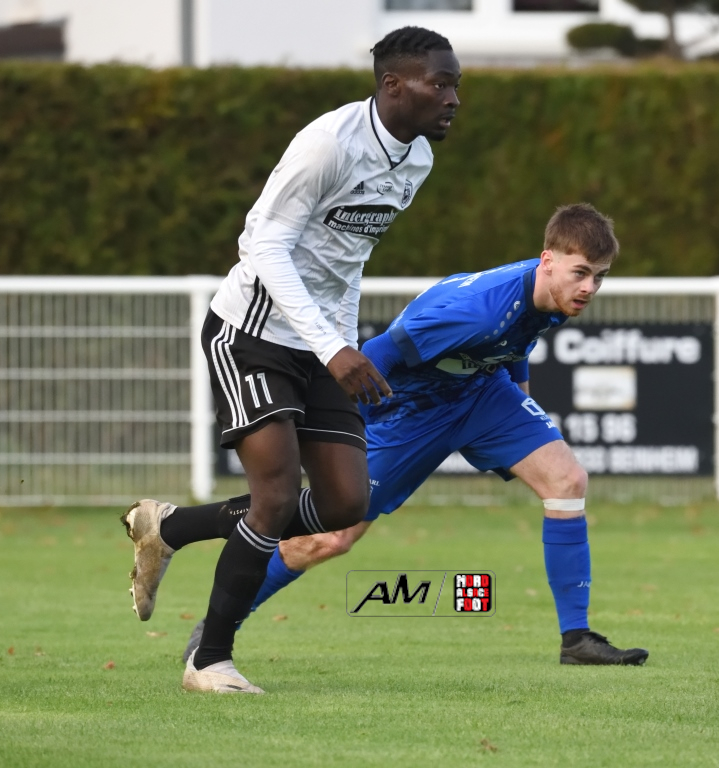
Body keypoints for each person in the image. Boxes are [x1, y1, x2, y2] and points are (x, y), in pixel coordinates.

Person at [120, 26, 461, 694]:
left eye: (456, 85)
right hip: (250, 331)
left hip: (318, 343)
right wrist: (334, 349)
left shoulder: (416, 159)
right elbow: (263, 245)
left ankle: (169, 526)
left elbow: (347, 261)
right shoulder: (327, 143)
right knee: (274, 498)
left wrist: (342, 343)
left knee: (344, 503)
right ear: (393, 85)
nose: (453, 98)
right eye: (441, 84)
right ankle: (208, 661)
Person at [184, 203, 650, 668]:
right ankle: (218, 625)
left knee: (567, 480)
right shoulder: (477, 311)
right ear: (547, 261)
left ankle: (576, 639)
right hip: (412, 412)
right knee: (328, 538)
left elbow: (515, 341)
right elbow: (379, 353)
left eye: (599, 277)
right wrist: (343, 434)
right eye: (581, 273)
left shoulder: (552, 294)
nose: (589, 287)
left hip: (482, 394)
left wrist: (522, 409)